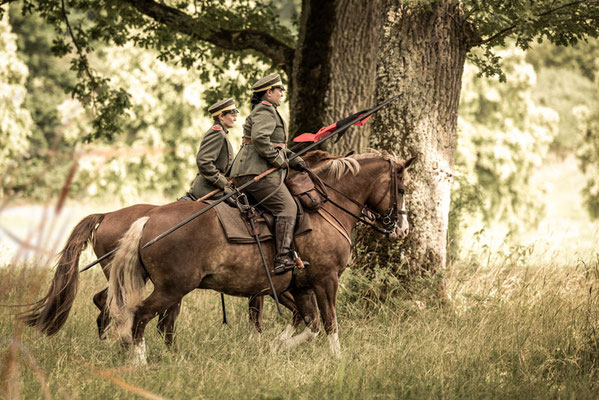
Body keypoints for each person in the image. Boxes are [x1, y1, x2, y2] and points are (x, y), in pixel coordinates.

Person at [230, 73, 307, 275]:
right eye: (279, 90)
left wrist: (294, 158)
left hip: (254, 169)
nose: (282, 93)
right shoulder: (265, 111)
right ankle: (282, 258)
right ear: (268, 92)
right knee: (287, 207)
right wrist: (278, 160)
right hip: (254, 172)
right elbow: (260, 140)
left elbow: (275, 145)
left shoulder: (268, 110)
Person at [185, 98, 238, 201]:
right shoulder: (217, 132)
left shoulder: (221, 133)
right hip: (208, 189)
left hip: (214, 187)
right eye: (232, 115)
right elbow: (204, 161)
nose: (235, 119)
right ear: (221, 116)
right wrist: (223, 183)